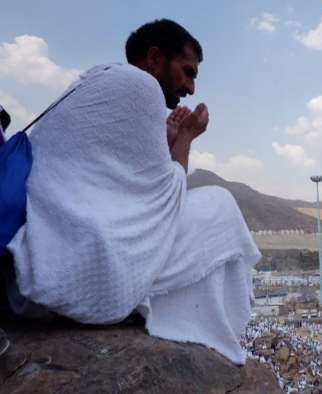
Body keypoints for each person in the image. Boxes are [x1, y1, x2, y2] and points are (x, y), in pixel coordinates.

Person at [5, 19, 261, 364]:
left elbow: (126, 188)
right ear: (154, 58)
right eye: (187, 72)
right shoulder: (141, 86)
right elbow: (166, 200)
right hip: (73, 268)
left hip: (37, 259)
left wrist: (167, 142)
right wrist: (185, 138)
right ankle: (204, 332)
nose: (191, 87)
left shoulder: (96, 78)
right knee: (220, 205)